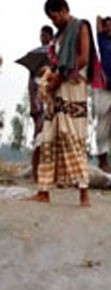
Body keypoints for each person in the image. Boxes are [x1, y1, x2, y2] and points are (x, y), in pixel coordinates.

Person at [28, 0, 98, 207]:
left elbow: (84, 58)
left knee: (71, 136)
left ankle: (83, 193)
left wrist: (62, 74)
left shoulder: (80, 26)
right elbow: (56, 60)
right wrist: (51, 72)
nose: (53, 22)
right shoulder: (58, 37)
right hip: (57, 91)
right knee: (47, 137)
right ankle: (43, 190)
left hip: (73, 89)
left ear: (64, 10)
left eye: (54, 17)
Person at [93, 16, 111, 173]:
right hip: (104, 86)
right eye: (107, 26)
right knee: (102, 122)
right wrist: (104, 22)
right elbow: (97, 20)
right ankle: (102, 160)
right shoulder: (102, 40)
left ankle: (110, 156)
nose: (110, 28)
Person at [28, 25, 54, 182]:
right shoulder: (36, 60)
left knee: (51, 140)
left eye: (45, 36)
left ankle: (48, 171)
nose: (43, 38)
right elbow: (32, 85)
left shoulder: (55, 57)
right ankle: (34, 171)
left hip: (51, 102)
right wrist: (34, 105)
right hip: (40, 105)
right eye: (41, 35)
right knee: (38, 137)